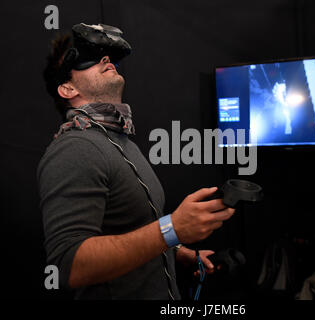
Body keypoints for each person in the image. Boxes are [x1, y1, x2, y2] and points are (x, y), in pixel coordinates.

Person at [38, 29, 235, 300]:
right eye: (88, 59)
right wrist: (172, 229)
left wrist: (177, 252)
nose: (106, 59)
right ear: (67, 88)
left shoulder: (119, 141)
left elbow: (127, 231)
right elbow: (69, 266)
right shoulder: (74, 148)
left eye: (106, 56)